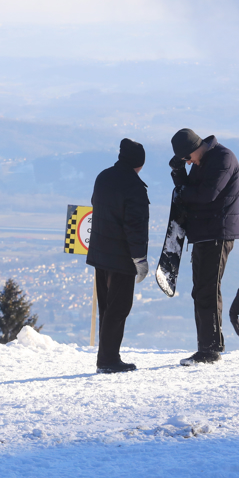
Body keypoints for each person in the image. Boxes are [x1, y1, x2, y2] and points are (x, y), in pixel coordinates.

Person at [169, 128, 239, 365]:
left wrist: (183, 188)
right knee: (200, 290)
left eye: (187, 158)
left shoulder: (222, 158)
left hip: (217, 233)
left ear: (193, 148)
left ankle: (211, 350)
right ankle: (206, 346)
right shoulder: (201, 163)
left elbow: (206, 195)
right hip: (203, 233)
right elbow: (188, 192)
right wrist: (179, 174)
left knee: (208, 289)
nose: (188, 162)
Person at [86, 138, 150, 374]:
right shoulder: (134, 187)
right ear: (139, 163)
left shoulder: (103, 177)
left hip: (100, 253)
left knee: (106, 307)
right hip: (121, 258)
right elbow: (136, 227)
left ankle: (107, 356)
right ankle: (108, 359)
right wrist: (140, 259)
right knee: (119, 307)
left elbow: (96, 205)